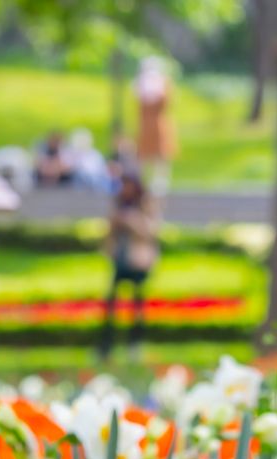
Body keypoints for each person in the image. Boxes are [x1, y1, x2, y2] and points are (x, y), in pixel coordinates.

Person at [99, 172, 158, 359]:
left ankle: (135, 344)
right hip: (120, 259)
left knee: (137, 305)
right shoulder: (118, 204)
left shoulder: (145, 204)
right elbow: (109, 233)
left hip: (138, 261)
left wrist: (131, 221)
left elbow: (151, 231)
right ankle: (106, 346)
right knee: (111, 304)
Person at [135, 57, 177, 198]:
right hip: (146, 123)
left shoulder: (163, 83)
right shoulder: (141, 83)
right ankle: (143, 181)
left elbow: (166, 101)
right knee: (144, 154)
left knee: (161, 153)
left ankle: (160, 181)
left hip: (159, 122)